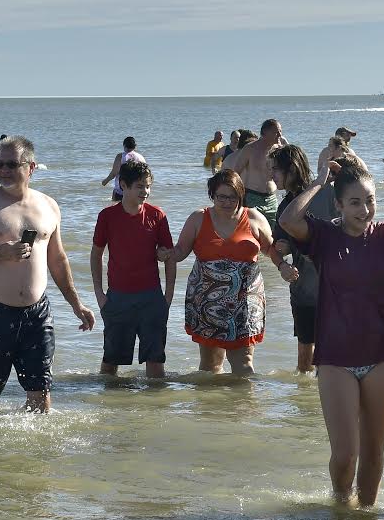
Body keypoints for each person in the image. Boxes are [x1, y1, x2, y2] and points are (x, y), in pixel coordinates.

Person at [277, 158, 384, 506]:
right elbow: (287, 221)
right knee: (345, 456)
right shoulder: (324, 235)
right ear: (339, 205)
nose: (365, 209)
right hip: (334, 360)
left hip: (381, 357)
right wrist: (319, 183)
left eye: (370, 200)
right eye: (355, 202)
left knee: (373, 455)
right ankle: (341, 508)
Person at [0, 136, 95, 412]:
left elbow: (58, 260)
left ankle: (32, 455)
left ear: (31, 167)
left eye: (11, 164)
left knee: (41, 398)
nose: (2, 170)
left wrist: (77, 304)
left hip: (37, 313)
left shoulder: (48, 206)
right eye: (0, 163)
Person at [171, 168, 297, 376]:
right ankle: (212, 409)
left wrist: (283, 266)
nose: (227, 202)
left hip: (245, 302)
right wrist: (162, 252)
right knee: (210, 367)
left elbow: (270, 249)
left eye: (232, 197)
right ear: (212, 195)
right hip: (208, 303)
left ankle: (243, 407)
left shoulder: (254, 217)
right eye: (221, 197)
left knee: (244, 364)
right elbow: (180, 251)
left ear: (241, 196)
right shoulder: (198, 218)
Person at [90, 161, 175, 378]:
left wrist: (168, 296)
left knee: (155, 366)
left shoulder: (158, 216)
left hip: (152, 299)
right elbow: (96, 254)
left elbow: (170, 257)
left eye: (148, 186)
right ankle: (111, 410)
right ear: (123, 185)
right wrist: (99, 294)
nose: (145, 191)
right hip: (118, 299)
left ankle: (153, 410)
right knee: (110, 365)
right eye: (139, 186)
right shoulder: (107, 216)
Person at [271, 144, 333, 373]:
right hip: (303, 292)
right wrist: (282, 263)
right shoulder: (285, 206)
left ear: (293, 169)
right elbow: (277, 248)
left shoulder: (328, 193)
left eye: (275, 169)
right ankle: (305, 404)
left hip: (335, 292)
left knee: (332, 358)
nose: (271, 175)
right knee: (304, 362)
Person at [224, 119, 286, 226]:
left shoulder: (278, 150)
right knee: (253, 230)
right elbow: (235, 173)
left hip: (271, 199)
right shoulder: (250, 149)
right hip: (252, 197)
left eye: (280, 131)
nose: (280, 134)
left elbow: (289, 170)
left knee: (273, 232)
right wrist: (233, 195)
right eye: (276, 132)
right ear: (265, 133)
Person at [101, 136, 146, 202]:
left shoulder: (120, 156)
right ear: (135, 146)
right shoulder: (141, 157)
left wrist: (105, 181)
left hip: (122, 189)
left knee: (116, 209)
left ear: (124, 145)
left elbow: (114, 173)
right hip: (136, 189)